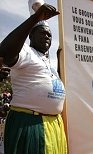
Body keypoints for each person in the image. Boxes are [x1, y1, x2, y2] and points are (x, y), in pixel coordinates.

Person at [0, 3, 67, 154]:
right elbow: (5, 52)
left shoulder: (47, 62)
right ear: (31, 35)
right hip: (29, 124)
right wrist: (35, 18)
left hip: (54, 125)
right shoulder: (26, 51)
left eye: (49, 34)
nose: (47, 36)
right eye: (42, 33)